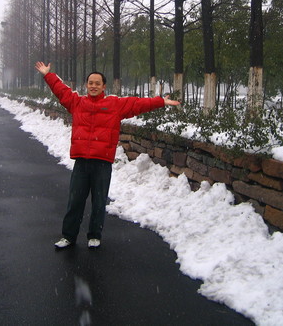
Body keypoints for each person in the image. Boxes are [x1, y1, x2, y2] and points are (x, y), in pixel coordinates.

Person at [35, 61, 180, 249]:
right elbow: (61, 91)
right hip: (81, 162)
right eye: (90, 83)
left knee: (99, 201)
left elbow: (137, 104)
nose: (93, 86)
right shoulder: (77, 103)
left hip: (102, 162)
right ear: (86, 85)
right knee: (75, 201)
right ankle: (68, 236)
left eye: (97, 83)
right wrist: (48, 75)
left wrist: (160, 101)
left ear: (104, 86)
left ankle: (94, 235)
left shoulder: (114, 105)